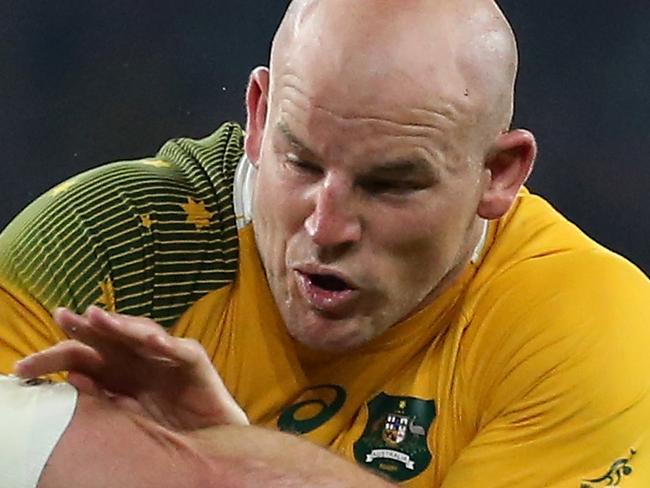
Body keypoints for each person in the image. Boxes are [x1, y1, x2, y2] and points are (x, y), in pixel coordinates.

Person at [1, 0, 649, 486]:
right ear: (258, 116)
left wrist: (221, 460)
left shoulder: (591, 328)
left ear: (498, 174)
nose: (326, 227)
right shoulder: (113, 248)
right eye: (301, 163)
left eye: (390, 185)